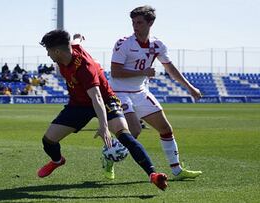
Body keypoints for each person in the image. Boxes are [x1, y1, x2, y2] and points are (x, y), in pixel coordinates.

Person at [37, 29, 168, 191]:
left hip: (105, 100)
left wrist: (104, 127)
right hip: (78, 105)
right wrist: (79, 36)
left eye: (48, 51)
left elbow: (97, 98)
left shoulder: (85, 68)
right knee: (48, 141)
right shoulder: (70, 48)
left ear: (57, 50)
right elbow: (77, 41)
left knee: (125, 136)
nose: (48, 55)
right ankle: (57, 161)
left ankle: (153, 174)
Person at [108, 5, 202, 181]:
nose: (135, 26)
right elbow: (115, 72)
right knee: (133, 131)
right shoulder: (123, 44)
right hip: (119, 91)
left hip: (140, 91)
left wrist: (189, 87)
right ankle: (109, 159)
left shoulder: (157, 45)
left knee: (165, 128)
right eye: (133, 22)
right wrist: (143, 72)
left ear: (150, 23)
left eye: (139, 22)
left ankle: (176, 170)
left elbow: (170, 68)